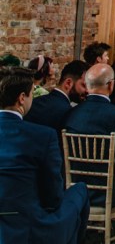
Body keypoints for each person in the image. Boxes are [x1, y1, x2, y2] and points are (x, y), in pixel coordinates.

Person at [0, 66, 90, 244]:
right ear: (22, 98)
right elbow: (53, 198)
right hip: (29, 225)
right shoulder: (43, 135)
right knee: (80, 191)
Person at [64, 63, 115, 206]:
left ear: (87, 86)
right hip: (110, 194)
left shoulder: (71, 114)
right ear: (110, 85)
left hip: (75, 191)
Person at [25, 60, 88, 130]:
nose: (87, 91)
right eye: (84, 85)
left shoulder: (34, 102)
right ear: (68, 83)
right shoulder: (69, 113)